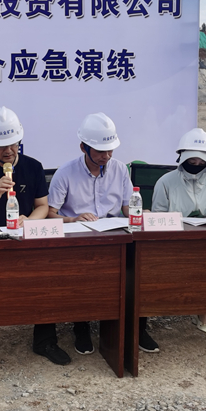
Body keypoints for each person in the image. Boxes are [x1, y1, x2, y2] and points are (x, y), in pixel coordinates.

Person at [0, 106, 69, 369]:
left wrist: (29, 221)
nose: (8, 150)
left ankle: (45, 341)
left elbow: (42, 206)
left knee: (46, 277)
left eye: (13, 143)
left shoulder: (33, 166)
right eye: (0, 146)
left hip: (25, 238)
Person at [47, 112, 160, 354]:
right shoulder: (65, 173)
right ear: (83, 147)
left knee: (141, 269)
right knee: (83, 278)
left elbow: (128, 208)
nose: (106, 156)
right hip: (79, 239)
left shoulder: (120, 170)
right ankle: (81, 327)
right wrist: (73, 219)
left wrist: (142, 213)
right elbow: (50, 214)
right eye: (100, 151)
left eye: (110, 150)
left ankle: (137, 328)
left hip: (115, 236)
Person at [151, 128, 206, 350]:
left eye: (201, 162)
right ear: (182, 158)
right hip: (175, 246)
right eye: (192, 161)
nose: (197, 165)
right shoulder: (165, 182)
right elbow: (157, 217)